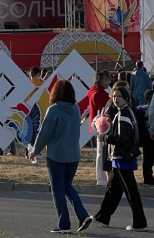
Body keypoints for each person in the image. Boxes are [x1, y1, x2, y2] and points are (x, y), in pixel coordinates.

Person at [29, 80, 91, 234]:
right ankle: (83, 216)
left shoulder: (54, 110)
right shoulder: (75, 108)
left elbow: (45, 133)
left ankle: (64, 224)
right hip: (73, 155)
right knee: (67, 187)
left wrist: (35, 150)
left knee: (58, 189)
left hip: (56, 155)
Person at [89, 86, 147, 231]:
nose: (116, 99)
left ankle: (140, 223)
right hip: (120, 158)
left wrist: (106, 137)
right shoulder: (124, 112)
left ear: (126, 98)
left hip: (123, 157)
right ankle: (102, 217)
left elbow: (123, 137)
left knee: (131, 191)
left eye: (119, 96)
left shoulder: (123, 114)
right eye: (114, 96)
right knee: (113, 189)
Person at [87, 71, 112, 186]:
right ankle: (102, 178)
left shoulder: (93, 92)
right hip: (102, 127)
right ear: (100, 80)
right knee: (102, 153)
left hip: (96, 125)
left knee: (100, 152)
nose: (108, 82)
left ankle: (101, 178)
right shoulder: (99, 94)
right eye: (106, 79)